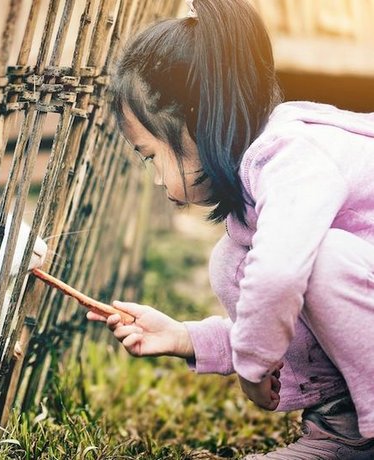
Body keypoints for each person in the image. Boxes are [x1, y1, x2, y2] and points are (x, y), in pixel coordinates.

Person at [87, 0, 374, 458]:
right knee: (233, 262)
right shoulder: (253, 198)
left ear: (196, 120)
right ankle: (346, 434)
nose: (156, 177)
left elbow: (280, 277)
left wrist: (253, 366)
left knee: (316, 260)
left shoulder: (291, 153)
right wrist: (185, 337)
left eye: (149, 154)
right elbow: (283, 314)